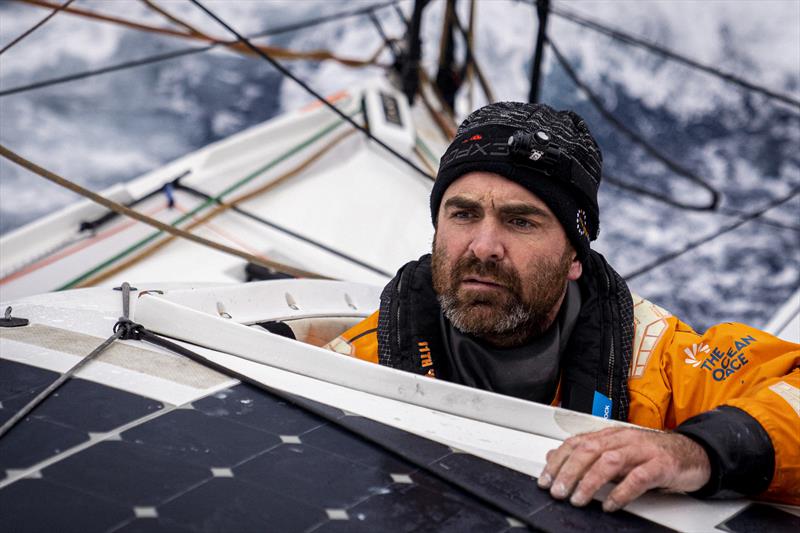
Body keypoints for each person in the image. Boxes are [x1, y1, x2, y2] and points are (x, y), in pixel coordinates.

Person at [324, 102, 799, 510]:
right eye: (464, 214)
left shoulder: (656, 363)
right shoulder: (358, 365)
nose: (484, 246)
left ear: (575, 256)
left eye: (520, 221)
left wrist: (697, 452)